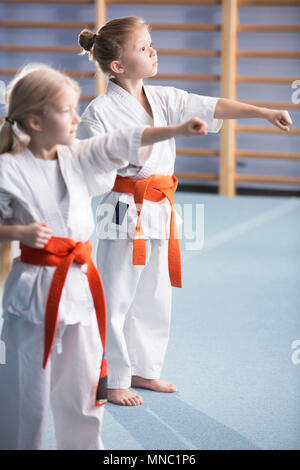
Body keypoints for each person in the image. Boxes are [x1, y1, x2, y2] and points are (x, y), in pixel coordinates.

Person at [77, 16, 293, 407]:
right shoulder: (99, 112)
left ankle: (146, 369)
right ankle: (113, 376)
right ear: (118, 66)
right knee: (117, 293)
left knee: (155, 293)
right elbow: (99, 163)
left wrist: (262, 111)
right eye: (142, 48)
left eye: (151, 43)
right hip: (124, 210)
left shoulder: (162, 98)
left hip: (160, 206)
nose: (153, 50)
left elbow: (212, 105)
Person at [0, 63, 207, 450]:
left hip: (80, 288)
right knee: (25, 394)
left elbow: (125, 140)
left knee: (83, 392)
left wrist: (177, 130)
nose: (78, 118)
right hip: (34, 291)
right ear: (35, 120)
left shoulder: (76, 155)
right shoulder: (8, 169)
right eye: (66, 110)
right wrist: (19, 232)